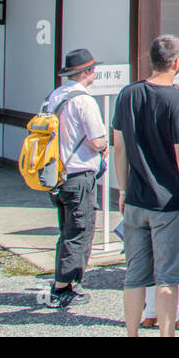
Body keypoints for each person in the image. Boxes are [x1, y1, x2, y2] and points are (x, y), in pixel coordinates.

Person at [112, 35, 179, 338]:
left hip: (136, 198)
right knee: (168, 276)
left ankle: (132, 333)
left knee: (134, 276)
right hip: (169, 202)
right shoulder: (176, 99)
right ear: (177, 62)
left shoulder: (128, 94)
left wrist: (122, 189)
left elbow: (119, 147)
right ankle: (166, 333)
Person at [44, 49, 107, 309]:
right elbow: (96, 140)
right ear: (85, 72)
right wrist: (105, 145)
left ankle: (64, 281)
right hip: (79, 174)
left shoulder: (54, 97)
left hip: (56, 173)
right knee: (79, 231)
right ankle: (64, 287)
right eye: (92, 70)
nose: (94, 74)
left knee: (67, 230)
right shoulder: (84, 100)